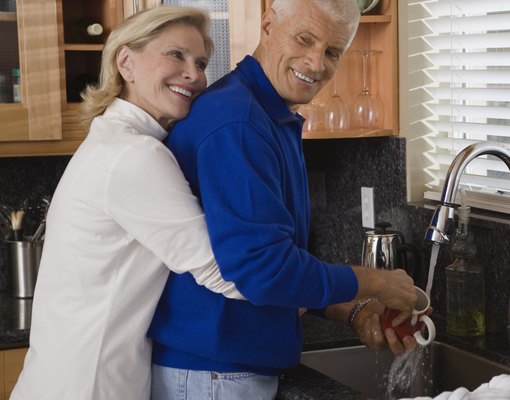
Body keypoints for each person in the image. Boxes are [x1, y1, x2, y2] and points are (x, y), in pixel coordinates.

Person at [148, 0, 419, 399]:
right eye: (305, 39)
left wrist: (353, 308)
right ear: (269, 23)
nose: (314, 63)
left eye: (331, 52)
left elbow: (270, 264)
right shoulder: (238, 122)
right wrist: (376, 282)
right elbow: (263, 269)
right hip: (213, 376)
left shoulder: (264, 113)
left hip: (220, 370)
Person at [11, 6, 246, 400]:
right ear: (126, 62)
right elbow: (222, 272)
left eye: (201, 62)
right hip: (91, 387)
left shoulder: (112, 141)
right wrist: (329, 296)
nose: (195, 74)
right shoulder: (134, 156)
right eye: (176, 55)